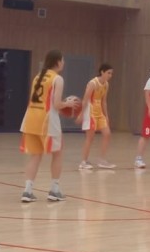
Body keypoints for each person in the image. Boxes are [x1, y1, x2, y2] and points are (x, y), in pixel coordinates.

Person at [19, 49, 81, 202]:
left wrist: (62, 105)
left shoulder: (38, 76)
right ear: (58, 62)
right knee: (57, 153)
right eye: (62, 60)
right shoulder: (57, 79)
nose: (63, 63)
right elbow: (57, 104)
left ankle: (27, 191)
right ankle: (54, 189)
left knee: (35, 156)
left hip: (30, 119)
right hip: (46, 121)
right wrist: (68, 104)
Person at [77, 63, 116, 170]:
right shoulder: (93, 83)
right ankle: (83, 162)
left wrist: (106, 115)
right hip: (90, 112)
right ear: (102, 72)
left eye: (111, 73)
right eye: (108, 73)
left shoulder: (106, 84)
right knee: (90, 138)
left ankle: (101, 160)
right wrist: (81, 114)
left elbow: (104, 101)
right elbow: (85, 99)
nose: (110, 75)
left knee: (107, 134)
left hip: (99, 113)